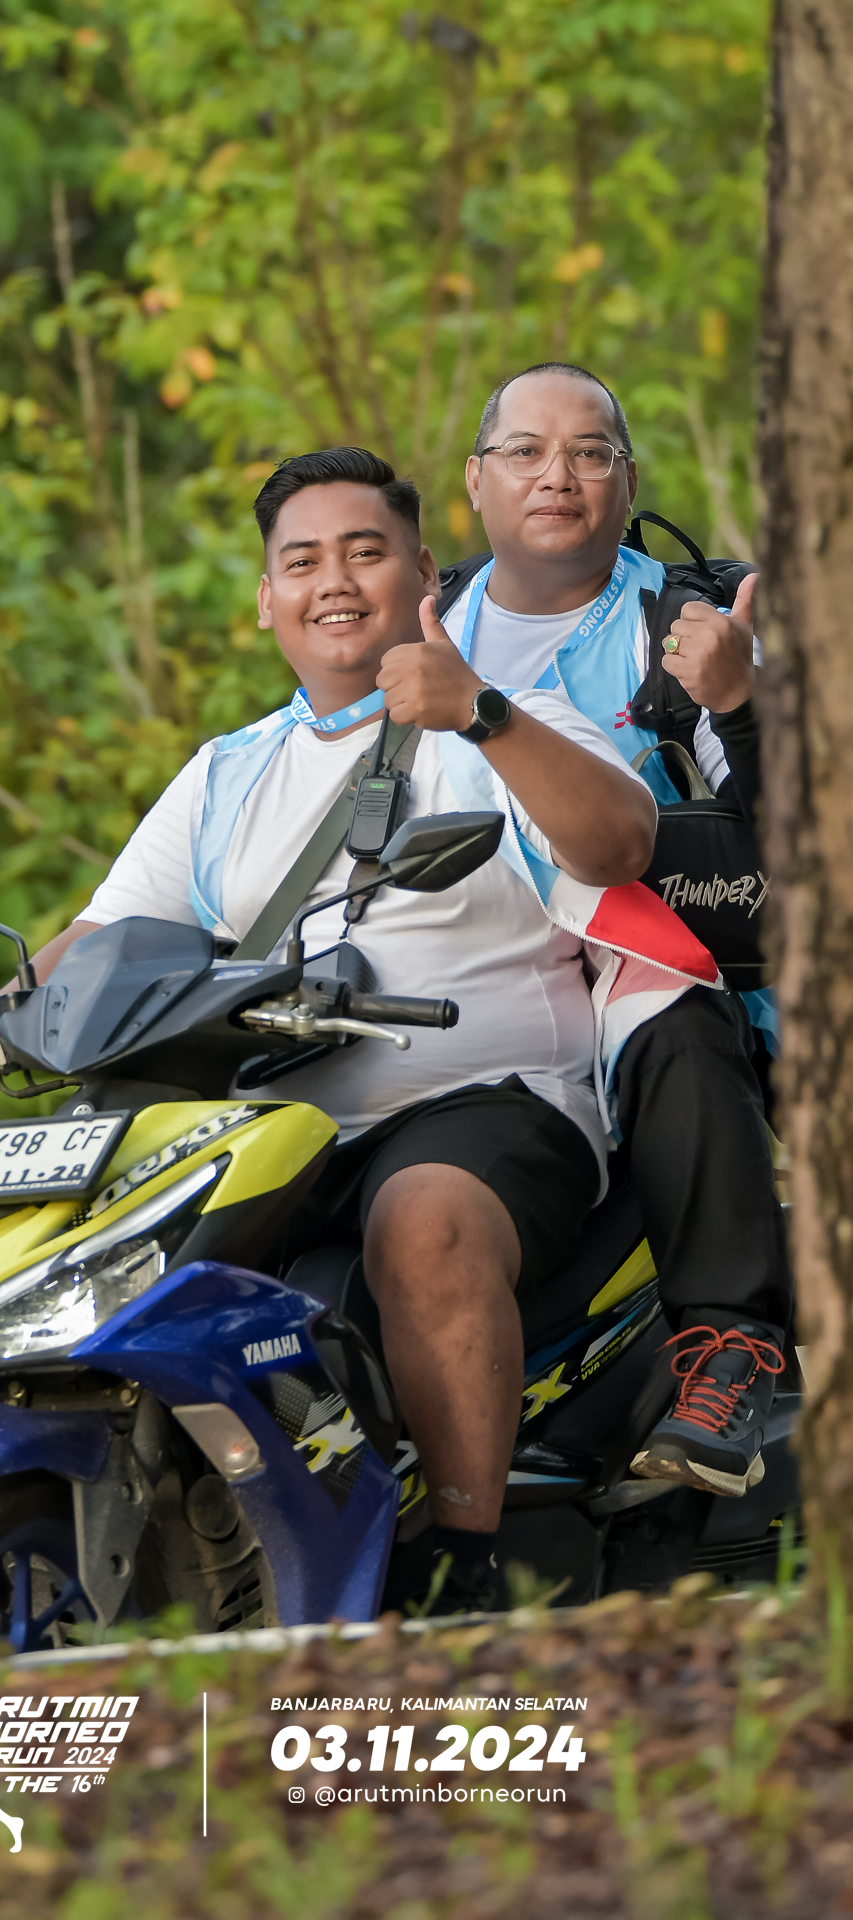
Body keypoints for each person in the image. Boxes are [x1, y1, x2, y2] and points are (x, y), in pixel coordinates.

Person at [0, 448, 664, 1613]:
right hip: (270, 1116)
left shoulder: (505, 721)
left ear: (424, 572)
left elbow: (618, 843)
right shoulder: (227, 771)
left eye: (364, 553)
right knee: (103, 1252)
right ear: (265, 599)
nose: (334, 582)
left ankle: (462, 1562)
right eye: (300, 562)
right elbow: (106, 929)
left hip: (484, 1102)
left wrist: (482, 712)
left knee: (421, 1222)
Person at [440, 361, 790, 1500]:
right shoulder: (419, 622)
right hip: (452, 961)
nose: (558, 476)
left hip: (652, 958)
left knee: (671, 1007)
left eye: (590, 453)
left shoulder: (681, 628)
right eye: (525, 452)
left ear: (627, 485)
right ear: (475, 482)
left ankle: (728, 1352)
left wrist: (740, 703)